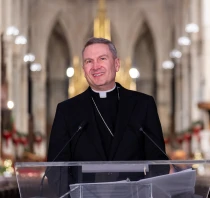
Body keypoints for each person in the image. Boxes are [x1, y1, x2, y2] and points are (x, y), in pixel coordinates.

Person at [46, 38, 168, 193]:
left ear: (116, 64)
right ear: (83, 69)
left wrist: (144, 193)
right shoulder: (67, 110)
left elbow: (158, 162)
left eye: (102, 59)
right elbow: (56, 168)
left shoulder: (143, 105)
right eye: (89, 61)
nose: (95, 66)